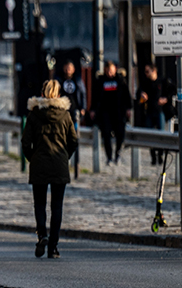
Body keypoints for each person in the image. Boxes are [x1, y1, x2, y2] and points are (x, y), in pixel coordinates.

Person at [21, 80, 78, 259]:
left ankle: (42, 236)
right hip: (59, 164)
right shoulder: (65, 115)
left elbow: (25, 142)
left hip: (39, 164)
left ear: (43, 93)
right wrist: (64, 157)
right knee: (57, 207)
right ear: (58, 93)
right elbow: (74, 141)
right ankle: (53, 247)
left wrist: (32, 158)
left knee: (39, 204)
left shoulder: (34, 114)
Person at [90, 61, 131, 166]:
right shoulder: (100, 81)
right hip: (105, 112)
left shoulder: (120, 80)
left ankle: (118, 153)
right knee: (106, 135)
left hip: (118, 112)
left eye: (111, 70)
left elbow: (127, 95)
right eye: (107, 70)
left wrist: (128, 108)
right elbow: (95, 97)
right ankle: (109, 157)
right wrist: (93, 110)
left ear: (115, 69)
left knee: (120, 134)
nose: (109, 72)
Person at [137, 63, 175, 165]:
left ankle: (160, 155)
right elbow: (139, 93)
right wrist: (141, 95)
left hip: (160, 111)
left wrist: (166, 99)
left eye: (147, 71)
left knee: (160, 135)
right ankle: (153, 156)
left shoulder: (162, 82)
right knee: (150, 136)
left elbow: (173, 90)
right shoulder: (146, 83)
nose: (146, 74)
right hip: (149, 111)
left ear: (154, 71)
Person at [59, 61, 86, 125]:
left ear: (73, 69)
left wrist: (83, 107)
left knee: (75, 128)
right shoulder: (60, 80)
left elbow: (83, 93)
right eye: (67, 68)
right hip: (63, 108)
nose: (68, 70)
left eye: (70, 68)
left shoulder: (78, 80)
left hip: (74, 108)